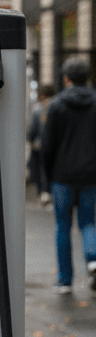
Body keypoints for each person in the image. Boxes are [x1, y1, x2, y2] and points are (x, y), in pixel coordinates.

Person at [41, 57, 96, 294]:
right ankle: (93, 259)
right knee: (88, 222)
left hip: (62, 176)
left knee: (62, 226)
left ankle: (65, 281)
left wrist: (46, 178)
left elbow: (47, 145)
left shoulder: (56, 105)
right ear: (88, 77)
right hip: (90, 175)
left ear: (65, 78)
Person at [27, 83, 56, 206]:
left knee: (39, 167)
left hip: (40, 144)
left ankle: (43, 192)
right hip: (55, 145)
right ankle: (49, 191)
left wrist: (31, 139)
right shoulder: (58, 105)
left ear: (42, 95)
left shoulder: (38, 109)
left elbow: (33, 129)